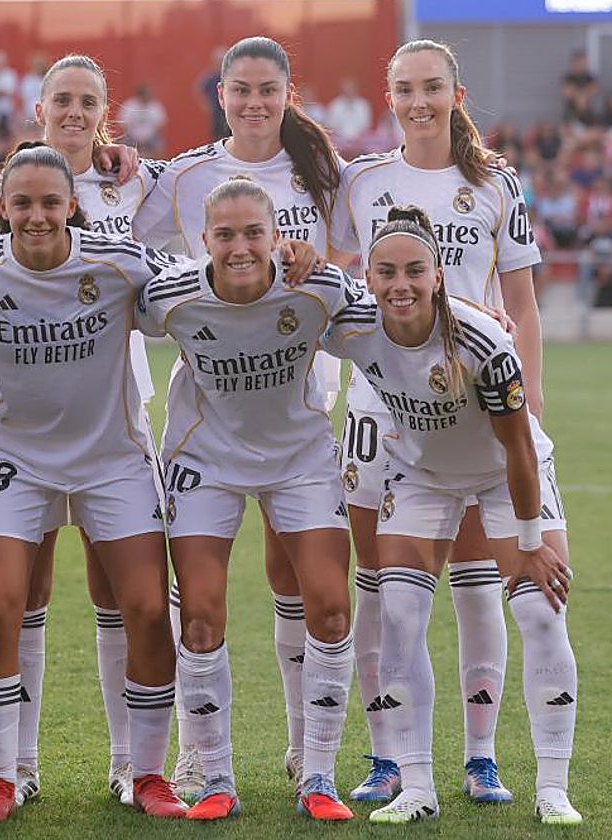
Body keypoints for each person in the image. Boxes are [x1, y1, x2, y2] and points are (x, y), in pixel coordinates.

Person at [0, 144, 187, 824]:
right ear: (1, 208)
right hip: (19, 460)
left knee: (149, 610)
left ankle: (149, 774)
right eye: (23, 203)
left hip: (113, 457)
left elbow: (193, 294)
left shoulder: (119, 264)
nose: (37, 215)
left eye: (50, 202)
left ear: (72, 204)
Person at [330, 39, 546, 805]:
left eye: (432, 87)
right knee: (381, 585)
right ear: (387, 98)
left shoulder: (496, 182)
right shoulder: (361, 178)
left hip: (474, 403)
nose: (418, 101)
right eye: (404, 89)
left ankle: (479, 756)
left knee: (477, 579)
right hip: (379, 405)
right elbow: (333, 272)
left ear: (457, 95)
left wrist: (532, 404)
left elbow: (520, 303)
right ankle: (388, 756)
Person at [134, 35, 343, 800]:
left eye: (269, 89)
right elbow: (127, 246)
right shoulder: (183, 176)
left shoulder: (327, 173)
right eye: (241, 89)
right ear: (220, 93)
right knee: (203, 605)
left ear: (290, 93)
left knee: (308, 588)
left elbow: (363, 264)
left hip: (299, 395)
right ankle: (202, 761)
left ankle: (308, 756)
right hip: (211, 418)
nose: (255, 101)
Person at [323, 205, 580, 826]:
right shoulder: (355, 323)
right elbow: (299, 295)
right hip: (422, 474)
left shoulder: (481, 339)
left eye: (415, 270)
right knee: (400, 614)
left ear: (439, 275)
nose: (400, 284)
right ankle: (417, 786)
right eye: (386, 272)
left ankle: (552, 787)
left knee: (538, 609)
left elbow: (518, 445)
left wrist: (528, 539)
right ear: (369, 275)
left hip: (504, 474)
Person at [0, 54, 165, 809]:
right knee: (23, 591)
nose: (73, 111)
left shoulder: (139, 181)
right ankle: (17, 766)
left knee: (119, 589)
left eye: (87, 101)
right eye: (61, 99)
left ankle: (131, 763)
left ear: (105, 110)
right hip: (26, 411)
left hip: (116, 409)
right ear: (39, 108)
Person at [117, 85, 167, 157]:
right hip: (132, 137)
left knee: (159, 145)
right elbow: (124, 124)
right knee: (121, 146)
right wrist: (134, 137)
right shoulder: (129, 106)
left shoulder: (155, 106)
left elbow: (160, 125)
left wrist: (148, 138)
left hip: (151, 137)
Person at [325, 78, 372, 154]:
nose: (349, 91)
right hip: (340, 140)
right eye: (347, 89)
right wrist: (344, 139)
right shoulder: (335, 105)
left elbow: (366, 125)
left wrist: (356, 140)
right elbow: (331, 126)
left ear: (355, 89)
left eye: (351, 89)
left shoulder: (363, 104)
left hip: (359, 140)